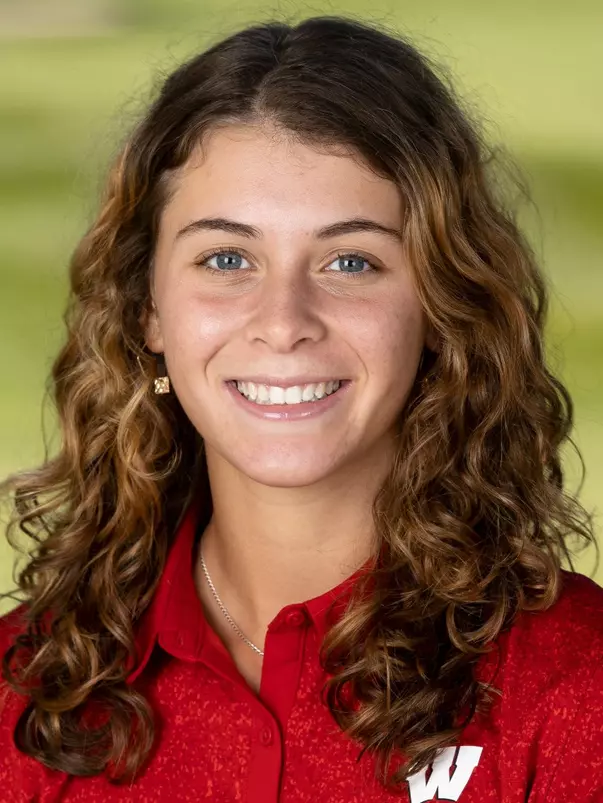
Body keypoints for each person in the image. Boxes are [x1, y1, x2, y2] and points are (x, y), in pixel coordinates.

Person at [1, 13, 602, 803]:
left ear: (438, 303)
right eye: (226, 258)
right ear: (148, 306)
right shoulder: (31, 697)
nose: (283, 321)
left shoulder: (573, 689)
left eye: (350, 260)